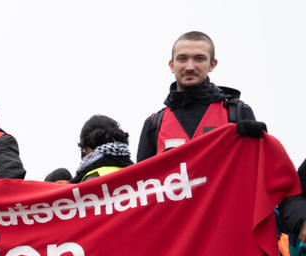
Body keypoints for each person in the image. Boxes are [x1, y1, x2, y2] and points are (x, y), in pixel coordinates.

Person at [136, 31, 258, 162]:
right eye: (182, 58)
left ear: (212, 65)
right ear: (172, 65)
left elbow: (257, 167)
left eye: (199, 58)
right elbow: (141, 180)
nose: (190, 67)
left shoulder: (237, 113)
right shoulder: (154, 124)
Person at [71, 115, 133, 183]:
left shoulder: (91, 180)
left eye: (83, 150)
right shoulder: (138, 174)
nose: (83, 157)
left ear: (89, 146)